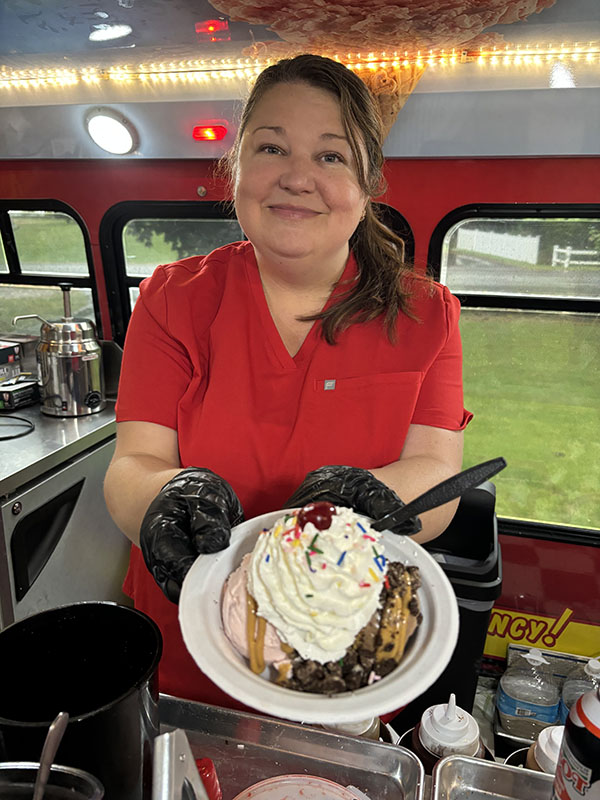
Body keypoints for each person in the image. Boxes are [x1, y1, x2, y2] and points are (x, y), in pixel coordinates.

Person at [104, 53, 472, 708]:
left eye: (331, 157)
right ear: (236, 169)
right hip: (191, 640)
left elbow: (437, 479)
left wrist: (367, 493)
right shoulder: (172, 298)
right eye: (272, 147)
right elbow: (135, 460)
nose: (298, 177)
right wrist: (166, 496)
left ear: (368, 185)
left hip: (343, 652)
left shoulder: (427, 314)